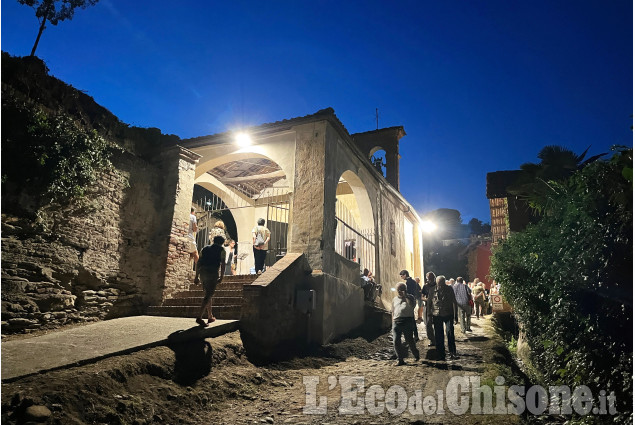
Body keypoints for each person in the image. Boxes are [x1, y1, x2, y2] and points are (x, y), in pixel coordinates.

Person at [194, 236, 226, 327]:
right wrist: (222, 276)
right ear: (222, 242)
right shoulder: (222, 250)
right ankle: (199, 317)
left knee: (208, 293)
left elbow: (199, 262)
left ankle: (210, 316)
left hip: (203, 272)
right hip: (213, 272)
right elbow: (223, 263)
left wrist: (196, 276)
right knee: (209, 294)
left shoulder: (205, 249)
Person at [427, 275, 458, 360]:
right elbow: (429, 304)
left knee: (450, 333)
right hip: (436, 315)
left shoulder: (449, 289)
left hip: (448, 314)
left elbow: (454, 302)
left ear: (444, 282)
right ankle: (440, 353)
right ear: (436, 282)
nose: (440, 285)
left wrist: (456, 316)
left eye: (442, 283)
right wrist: (429, 316)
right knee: (438, 335)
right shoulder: (432, 290)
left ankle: (452, 352)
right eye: (439, 283)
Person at [391, 282, 420, 366]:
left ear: (405, 290)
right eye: (398, 290)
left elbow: (412, 305)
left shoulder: (410, 297)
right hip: (397, 322)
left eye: (402, 289)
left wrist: (405, 296)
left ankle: (416, 354)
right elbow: (392, 311)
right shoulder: (394, 299)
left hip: (407, 321)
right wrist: (392, 321)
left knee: (409, 340)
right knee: (396, 341)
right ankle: (400, 359)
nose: (400, 291)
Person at [400, 270, 422, 341]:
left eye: (402, 275)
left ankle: (413, 335)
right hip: (412, 301)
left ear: (405, 274)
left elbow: (409, 293)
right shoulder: (412, 281)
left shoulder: (409, 282)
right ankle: (414, 335)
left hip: (410, 301)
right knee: (410, 318)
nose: (401, 277)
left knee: (410, 319)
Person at [421, 272, 437, 346]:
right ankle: (432, 339)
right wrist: (427, 299)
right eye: (428, 278)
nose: (430, 280)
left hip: (437, 307)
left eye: (431, 278)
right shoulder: (425, 286)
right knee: (428, 323)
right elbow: (422, 297)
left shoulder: (437, 286)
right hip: (428, 306)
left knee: (437, 323)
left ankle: (438, 339)